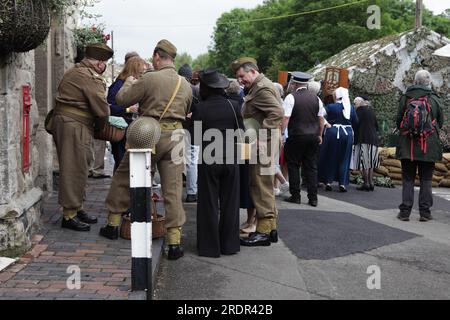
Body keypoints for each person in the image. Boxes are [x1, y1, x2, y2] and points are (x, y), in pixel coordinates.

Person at [101, 39, 193, 261]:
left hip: (148, 133)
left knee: (124, 177)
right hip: (177, 136)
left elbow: (122, 99)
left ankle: (113, 224)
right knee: (172, 188)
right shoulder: (185, 84)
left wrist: (130, 82)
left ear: (157, 56)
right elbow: (188, 109)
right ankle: (174, 241)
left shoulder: (150, 78)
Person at [52, 43, 113, 231]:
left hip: (74, 124)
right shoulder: (86, 75)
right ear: (99, 63)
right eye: (104, 63)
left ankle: (77, 207)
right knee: (73, 168)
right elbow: (102, 109)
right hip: (74, 125)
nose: (104, 67)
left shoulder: (79, 72)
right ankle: (69, 215)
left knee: (80, 166)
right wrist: (102, 130)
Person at [231, 57, 284, 246]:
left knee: (260, 186)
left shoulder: (261, 89)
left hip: (264, 145)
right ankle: (270, 228)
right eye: (238, 78)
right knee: (264, 185)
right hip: (265, 143)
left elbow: (277, 112)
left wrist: (262, 135)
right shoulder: (259, 86)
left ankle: (263, 232)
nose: (240, 80)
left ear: (252, 71)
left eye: (241, 76)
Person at [192, 69, 242, 257]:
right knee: (230, 203)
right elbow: (241, 133)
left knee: (208, 203)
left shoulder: (200, 108)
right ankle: (229, 245)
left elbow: (196, 139)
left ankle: (209, 247)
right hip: (231, 158)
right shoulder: (234, 106)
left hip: (208, 159)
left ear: (205, 88)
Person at [396, 70, 444, 222]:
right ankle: (425, 212)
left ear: (415, 81)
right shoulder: (434, 99)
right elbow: (440, 122)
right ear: (428, 82)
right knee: (426, 179)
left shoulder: (406, 97)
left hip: (408, 144)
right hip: (428, 146)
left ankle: (405, 212)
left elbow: (398, 120)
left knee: (408, 179)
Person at [282, 72, 325, 207]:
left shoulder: (290, 97)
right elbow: (321, 119)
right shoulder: (316, 99)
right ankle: (313, 198)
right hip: (313, 136)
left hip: (296, 135)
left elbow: (286, 118)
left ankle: (296, 195)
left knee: (293, 165)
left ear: (294, 83)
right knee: (311, 166)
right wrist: (319, 134)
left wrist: (282, 133)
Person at [107, 56, 148, 172]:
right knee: (122, 164)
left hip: (126, 128)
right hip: (119, 129)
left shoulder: (128, 83)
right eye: (140, 72)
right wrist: (128, 110)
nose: (142, 75)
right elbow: (110, 107)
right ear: (133, 70)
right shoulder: (118, 84)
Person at [227, 80, 256, 234]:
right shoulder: (242, 102)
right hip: (246, 144)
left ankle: (251, 221)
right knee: (246, 181)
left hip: (242, 145)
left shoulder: (232, 104)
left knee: (245, 181)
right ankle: (250, 220)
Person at [318, 87, 358, 192]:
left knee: (331, 156)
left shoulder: (331, 106)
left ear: (336, 96)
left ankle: (328, 181)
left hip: (333, 132)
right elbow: (356, 122)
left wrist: (326, 123)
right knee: (344, 159)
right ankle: (342, 183)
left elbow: (319, 114)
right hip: (347, 134)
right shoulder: (351, 108)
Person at [179, 64, 200, 203]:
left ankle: (179, 190)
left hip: (180, 127)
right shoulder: (195, 90)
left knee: (178, 159)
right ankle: (192, 191)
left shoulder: (174, 89)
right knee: (192, 160)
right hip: (195, 128)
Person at [352, 97, 380, 191]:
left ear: (359, 103)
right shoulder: (371, 111)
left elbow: (355, 124)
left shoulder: (359, 111)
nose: (355, 105)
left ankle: (366, 183)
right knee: (371, 162)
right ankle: (371, 183)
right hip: (374, 139)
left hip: (363, 138)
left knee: (365, 162)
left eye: (355, 103)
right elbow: (376, 125)